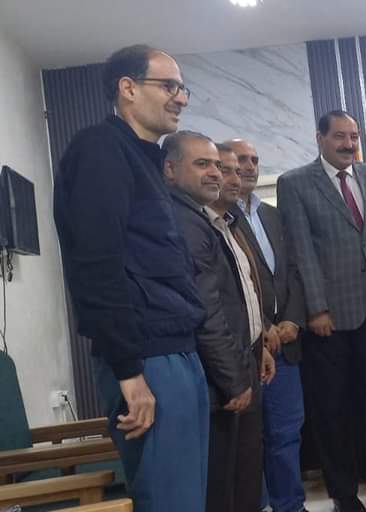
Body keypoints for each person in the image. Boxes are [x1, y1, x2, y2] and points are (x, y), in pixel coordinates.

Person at [54, 44, 209, 511]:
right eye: (169, 86)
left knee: (188, 495)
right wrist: (129, 372)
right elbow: (96, 265)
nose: (181, 97)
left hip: (176, 344)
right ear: (128, 88)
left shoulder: (146, 158)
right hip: (146, 355)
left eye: (183, 88)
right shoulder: (100, 149)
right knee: (169, 498)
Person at [276, 111, 366, 511]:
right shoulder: (295, 183)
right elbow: (301, 250)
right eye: (340, 136)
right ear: (319, 138)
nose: (349, 144)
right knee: (333, 410)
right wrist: (316, 308)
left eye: (354, 136)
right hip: (329, 318)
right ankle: (344, 494)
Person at [164, 133, 273, 511]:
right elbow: (208, 311)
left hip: (244, 358)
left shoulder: (222, 222)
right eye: (205, 165)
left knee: (245, 472)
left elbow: (241, 297)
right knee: (224, 480)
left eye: (221, 167)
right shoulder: (187, 223)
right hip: (219, 376)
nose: (219, 174)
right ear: (170, 170)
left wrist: (258, 346)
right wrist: (233, 379)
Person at [225, 138, 309, 512]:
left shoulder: (274, 215)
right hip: (247, 348)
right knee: (249, 438)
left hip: (285, 347)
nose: (248, 166)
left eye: (254, 160)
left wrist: (292, 319)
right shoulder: (219, 216)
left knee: (287, 431)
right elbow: (231, 284)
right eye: (240, 160)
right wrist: (263, 326)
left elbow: (292, 271)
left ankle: (290, 506)